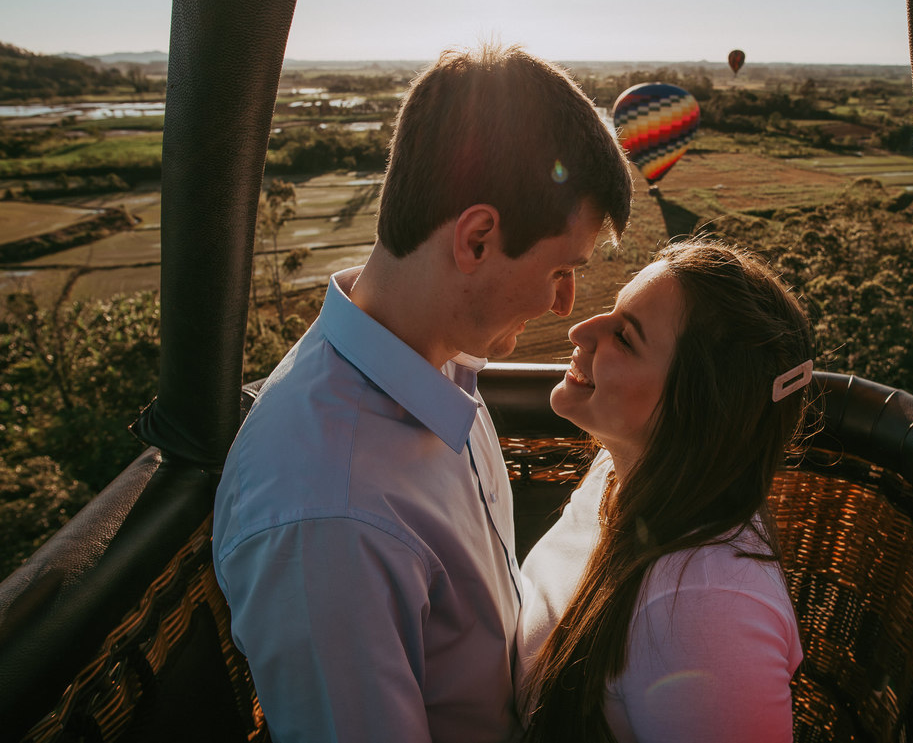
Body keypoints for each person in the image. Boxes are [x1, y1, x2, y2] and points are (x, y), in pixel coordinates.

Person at [212, 44, 632, 743]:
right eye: (561, 268)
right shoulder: (329, 513)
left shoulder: (435, 363)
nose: (565, 304)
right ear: (476, 239)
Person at [517, 238, 816, 743]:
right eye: (611, 312)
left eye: (625, 338)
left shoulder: (707, 612)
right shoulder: (617, 476)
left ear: (694, 406)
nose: (580, 330)